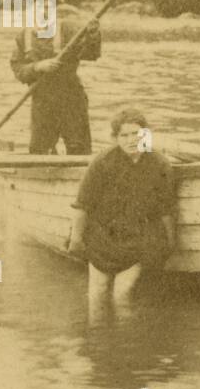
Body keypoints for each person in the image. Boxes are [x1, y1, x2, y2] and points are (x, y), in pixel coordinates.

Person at [69, 108, 178, 318]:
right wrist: (76, 238)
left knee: (122, 295)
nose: (131, 140)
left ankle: (126, 345)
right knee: (97, 296)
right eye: (124, 135)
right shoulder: (102, 163)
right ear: (115, 138)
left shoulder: (159, 164)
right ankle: (99, 341)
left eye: (136, 134)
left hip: (139, 238)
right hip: (104, 237)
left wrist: (171, 242)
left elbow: (166, 210)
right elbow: (82, 205)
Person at [10, 4, 102, 155]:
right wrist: (37, 67)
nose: (43, 11)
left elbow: (91, 55)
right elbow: (18, 69)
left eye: (48, 6)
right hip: (42, 99)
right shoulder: (23, 37)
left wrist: (93, 34)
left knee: (78, 146)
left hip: (71, 97)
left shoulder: (68, 29)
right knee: (40, 148)